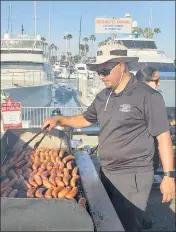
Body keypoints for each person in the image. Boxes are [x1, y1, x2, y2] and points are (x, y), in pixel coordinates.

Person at [42, 46, 175, 232]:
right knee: (109, 223)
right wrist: (60, 119)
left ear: (121, 66)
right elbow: (85, 119)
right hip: (106, 172)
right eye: (98, 71)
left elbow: (163, 135)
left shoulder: (147, 95)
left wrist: (168, 177)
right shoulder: (104, 95)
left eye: (104, 70)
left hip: (133, 176)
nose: (101, 76)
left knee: (128, 225)